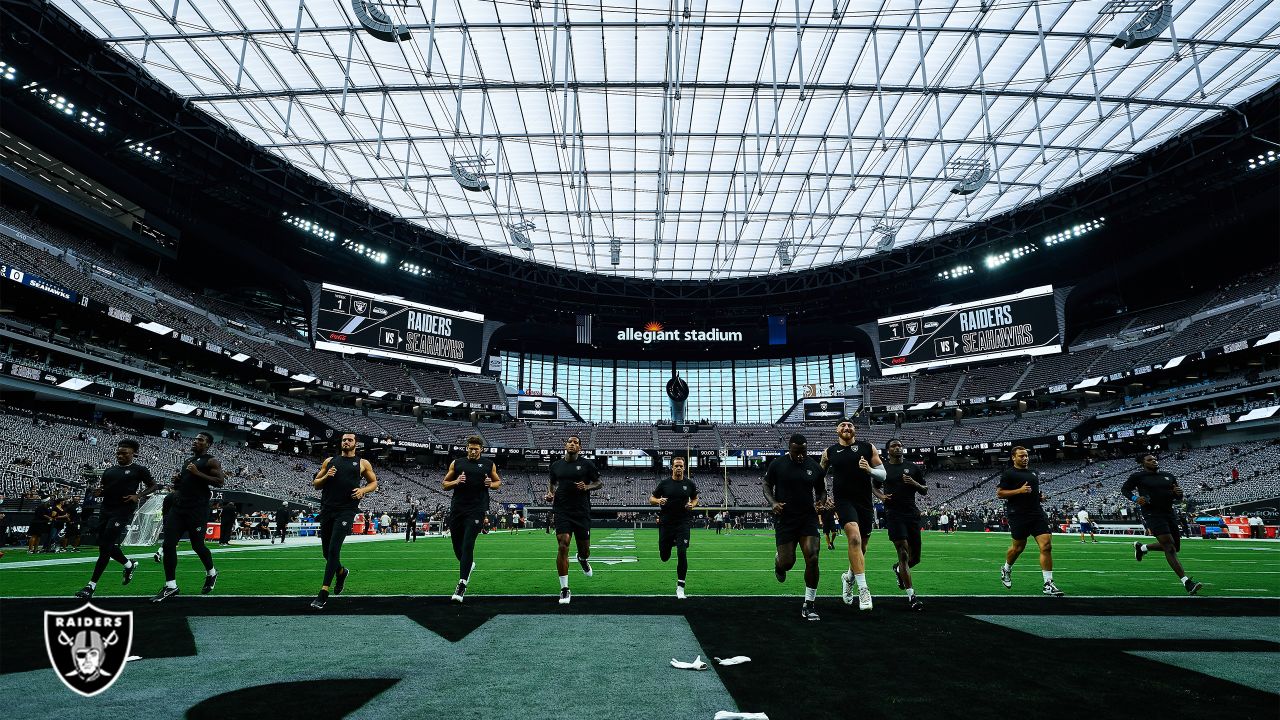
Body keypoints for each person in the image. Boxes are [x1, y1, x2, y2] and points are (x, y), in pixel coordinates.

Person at [76, 439, 156, 599]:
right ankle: (129, 564)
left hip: (123, 510)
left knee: (105, 547)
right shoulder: (109, 471)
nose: (120, 455)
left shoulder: (139, 470)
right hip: (106, 509)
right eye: (118, 453)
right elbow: (107, 489)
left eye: (124, 453)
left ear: (133, 454)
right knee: (104, 543)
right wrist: (100, 492)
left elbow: (154, 486)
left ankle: (91, 586)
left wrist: (138, 495)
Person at [152, 432, 225, 603]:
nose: (196, 441)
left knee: (197, 546)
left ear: (208, 444)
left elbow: (219, 481)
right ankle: (171, 586)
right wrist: (178, 480)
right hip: (179, 507)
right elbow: (186, 483)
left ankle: (212, 573)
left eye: (200, 440)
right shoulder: (188, 461)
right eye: (195, 439)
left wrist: (197, 473)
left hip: (197, 509)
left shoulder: (211, 461)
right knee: (169, 544)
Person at [765, 433, 830, 621]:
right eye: (796, 452)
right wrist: (773, 502)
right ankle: (779, 562)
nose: (801, 456)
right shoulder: (777, 464)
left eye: (804, 452)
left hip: (807, 518)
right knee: (788, 563)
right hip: (785, 518)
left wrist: (821, 502)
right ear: (789, 449)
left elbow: (822, 490)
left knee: (813, 556)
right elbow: (766, 485)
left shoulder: (814, 466)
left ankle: (809, 604)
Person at [820, 420, 884, 610]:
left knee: (862, 547)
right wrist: (824, 497)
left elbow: (883, 475)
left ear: (854, 429)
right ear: (837, 430)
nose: (846, 428)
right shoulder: (829, 452)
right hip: (843, 501)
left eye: (850, 425)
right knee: (854, 539)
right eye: (842, 425)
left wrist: (870, 470)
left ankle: (848, 578)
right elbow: (818, 476)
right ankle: (864, 590)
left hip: (864, 502)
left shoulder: (867, 447)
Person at [309, 432, 378, 609]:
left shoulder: (363, 463)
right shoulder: (329, 461)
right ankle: (341, 572)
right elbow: (316, 484)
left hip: (346, 511)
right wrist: (326, 477)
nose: (346, 442)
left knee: (333, 550)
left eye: (350, 440)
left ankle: (323, 593)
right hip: (327, 509)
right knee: (326, 553)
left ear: (356, 443)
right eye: (344, 440)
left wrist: (363, 491)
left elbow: (374, 483)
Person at [1124, 454, 1201, 595]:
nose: (1154, 461)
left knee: (1175, 547)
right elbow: (1125, 489)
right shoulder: (1138, 476)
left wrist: (1179, 493)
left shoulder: (1168, 476)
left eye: (1154, 459)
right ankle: (1187, 582)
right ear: (1143, 463)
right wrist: (1135, 498)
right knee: (1169, 546)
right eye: (1149, 460)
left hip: (1169, 513)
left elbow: (1177, 496)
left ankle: (1142, 548)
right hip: (1152, 514)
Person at [996, 447, 1064, 597]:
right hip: (1018, 514)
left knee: (1046, 545)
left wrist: (1040, 497)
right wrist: (1018, 491)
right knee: (1018, 548)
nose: (1025, 458)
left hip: (1036, 513)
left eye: (1026, 456)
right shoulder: (1009, 474)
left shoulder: (1034, 473)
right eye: (1021, 456)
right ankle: (1006, 568)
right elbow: (1000, 493)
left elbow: (1033, 492)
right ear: (1013, 458)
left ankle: (1048, 584)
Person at [442, 436, 502, 603]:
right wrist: (456, 481)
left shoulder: (489, 464)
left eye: (476, 449)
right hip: (458, 508)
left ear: (481, 449)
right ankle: (468, 565)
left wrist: (491, 483)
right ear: (466, 448)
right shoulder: (457, 463)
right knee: (458, 548)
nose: (473, 451)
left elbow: (498, 482)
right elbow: (444, 484)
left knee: (468, 544)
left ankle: (461, 585)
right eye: (470, 448)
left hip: (477, 510)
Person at [545, 435, 601, 605]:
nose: (572, 444)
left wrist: (588, 486)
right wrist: (550, 493)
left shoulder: (587, 465)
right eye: (570, 441)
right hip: (562, 510)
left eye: (576, 442)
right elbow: (552, 482)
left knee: (584, 550)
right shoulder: (556, 465)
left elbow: (599, 483)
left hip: (581, 511)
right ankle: (564, 589)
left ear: (580, 448)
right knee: (563, 543)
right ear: (565, 445)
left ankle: (582, 559)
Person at [877, 439, 926, 611]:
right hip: (894, 514)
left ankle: (898, 569)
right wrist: (881, 497)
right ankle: (912, 596)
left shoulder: (913, 467)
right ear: (888, 450)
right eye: (893, 446)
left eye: (900, 445)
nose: (897, 448)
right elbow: (873, 486)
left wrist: (914, 483)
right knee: (903, 552)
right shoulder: (882, 468)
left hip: (911, 513)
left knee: (915, 558)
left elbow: (924, 489)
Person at [649, 456, 699, 599]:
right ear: (672, 467)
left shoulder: (690, 484)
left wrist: (692, 505)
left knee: (682, 553)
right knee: (664, 557)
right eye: (676, 465)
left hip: (683, 523)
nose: (678, 468)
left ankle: (680, 588)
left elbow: (695, 498)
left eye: (681, 466)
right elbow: (651, 499)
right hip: (666, 523)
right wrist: (659, 500)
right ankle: (670, 543)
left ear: (684, 468)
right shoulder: (664, 484)